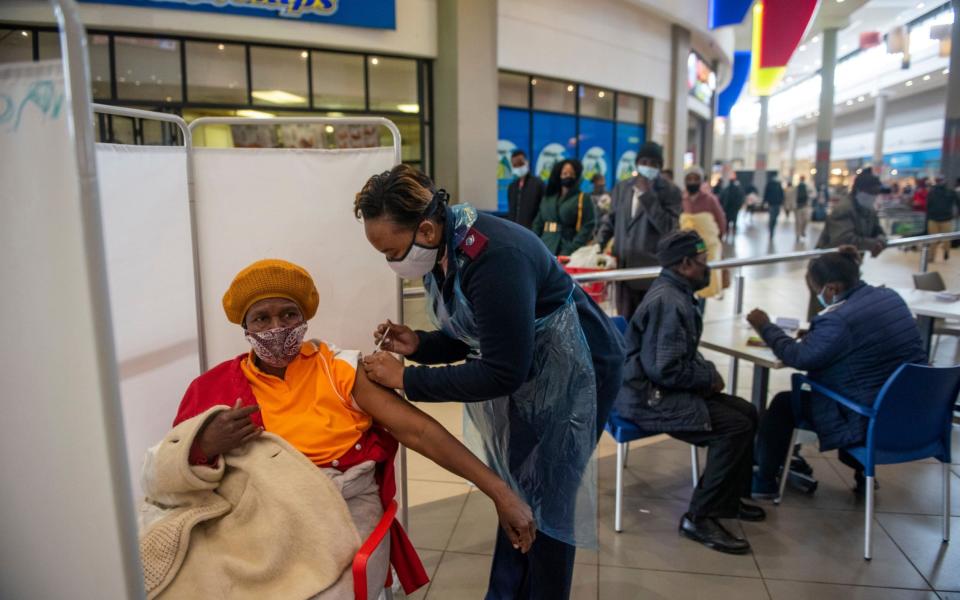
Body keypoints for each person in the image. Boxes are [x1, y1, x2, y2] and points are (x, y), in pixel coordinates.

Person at [165, 259, 537, 597]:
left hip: (341, 511)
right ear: (245, 326)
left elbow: (419, 432)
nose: (277, 328)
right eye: (262, 318)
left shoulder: (338, 369)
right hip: (257, 520)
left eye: (288, 314)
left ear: (305, 318)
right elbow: (171, 474)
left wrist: (500, 493)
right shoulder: (214, 388)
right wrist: (205, 446)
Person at [354, 165, 625, 599]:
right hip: (533, 366)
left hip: (578, 371)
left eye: (390, 251)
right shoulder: (446, 245)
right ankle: (506, 592)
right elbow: (475, 335)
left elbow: (500, 369)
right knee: (517, 490)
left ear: (424, 228)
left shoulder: (495, 256)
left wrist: (410, 379)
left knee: (548, 499)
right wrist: (420, 344)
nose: (390, 262)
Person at [615, 230, 764, 555]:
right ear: (685, 264)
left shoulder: (675, 291)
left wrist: (705, 376)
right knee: (734, 427)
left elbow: (674, 358)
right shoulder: (670, 301)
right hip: (647, 400)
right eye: (703, 262)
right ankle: (700, 517)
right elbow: (664, 369)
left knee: (747, 412)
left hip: (658, 390)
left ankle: (728, 500)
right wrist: (708, 378)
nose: (708, 268)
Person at [747, 248, 927, 497]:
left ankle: (764, 482)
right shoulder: (889, 297)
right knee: (869, 380)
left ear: (831, 289)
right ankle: (864, 476)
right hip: (911, 412)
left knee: (783, 404)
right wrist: (819, 338)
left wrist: (765, 327)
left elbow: (798, 357)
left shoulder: (838, 320)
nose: (816, 295)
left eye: (815, 288)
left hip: (868, 417)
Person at [594, 141, 681, 319]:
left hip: (651, 272)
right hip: (623, 269)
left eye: (654, 164)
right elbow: (611, 220)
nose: (648, 167)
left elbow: (669, 227)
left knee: (649, 325)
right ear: (637, 163)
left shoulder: (670, 191)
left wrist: (647, 196)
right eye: (645, 162)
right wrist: (598, 244)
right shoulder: (622, 187)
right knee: (625, 323)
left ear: (660, 167)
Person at [813, 170, 886, 319]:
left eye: (876, 193)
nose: (874, 197)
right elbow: (843, 239)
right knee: (822, 317)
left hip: (847, 271)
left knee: (843, 316)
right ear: (859, 190)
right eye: (871, 193)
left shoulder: (868, 209)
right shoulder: (844, 208)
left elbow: (879, 231)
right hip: (826, 271)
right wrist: (873, 244)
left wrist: (881, 241)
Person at [680, 166, 726, 306]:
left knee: (703, 282)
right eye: (689, 179)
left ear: (701, 181)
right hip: (686, 249)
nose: (692, 182)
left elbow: (721, 220)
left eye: (696, 179)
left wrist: (718, 239)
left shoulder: (710, 200)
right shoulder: (682, 199)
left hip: (707, 248)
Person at [532, 159, 596, 256]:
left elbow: (588, 225)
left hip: (568, 248)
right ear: (559, 175)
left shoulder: (583, 198)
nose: (568, 176)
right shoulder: (548, 198)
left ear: (577, 176)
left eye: (571, 173)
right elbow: (538, 223)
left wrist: (573, 247)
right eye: (564, 173)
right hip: (545, 245)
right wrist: (535, 243)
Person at [507, 149, 545, 230]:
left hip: (532, 231)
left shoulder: (538, 184)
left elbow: (542, 211)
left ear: (527, 162)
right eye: (515, 165)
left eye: (521, 164)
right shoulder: (512, 187)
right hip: (514, 230)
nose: (518, 167)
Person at [926, 175, 959, 262]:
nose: (939, 182)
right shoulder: (932, 192)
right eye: (938, 180)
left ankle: (946, 251)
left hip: (946, 218)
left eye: (940, 180)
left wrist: (957, 213)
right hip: (933, 218)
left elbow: (958, 203)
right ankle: (931, 257)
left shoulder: (950, 192)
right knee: (933, 239)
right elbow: (928, 205)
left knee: (946, 239)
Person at [715, 164, 744, 236]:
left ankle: (728, 233)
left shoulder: (727, 189)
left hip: (729, 208)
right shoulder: (734, 189)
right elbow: (740, 198)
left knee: (729, 221)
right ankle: (730, 232)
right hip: (732, 208)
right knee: (732, 221)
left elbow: (722, 198)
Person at [795, 175, 810, 242]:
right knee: (798, 222)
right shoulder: (797, 187)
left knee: (806, 219)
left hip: (805, 206)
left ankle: (803, 231)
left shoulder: (807, 187)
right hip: (798, 206)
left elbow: (813, 193)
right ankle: (798, 234)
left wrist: (809, 197)